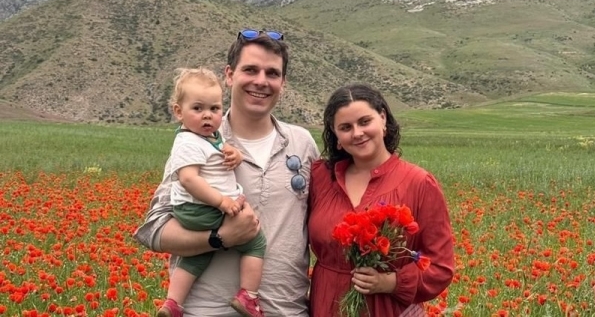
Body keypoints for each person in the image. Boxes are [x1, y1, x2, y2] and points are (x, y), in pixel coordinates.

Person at [134, 29, 320, 316]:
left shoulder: (302, 143)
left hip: (287, 310)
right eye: (250, 70)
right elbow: (155, 231)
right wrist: (219, 238)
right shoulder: (195, 140)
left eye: (272, 73)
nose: (261, 81)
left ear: (283, 83)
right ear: (230, 75)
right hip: (208, 310)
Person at [308, 83, 455, 316]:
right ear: (335, 135)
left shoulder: (419, 183)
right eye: (346, 127)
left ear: (383, 118)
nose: (357, 133)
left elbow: (440, 266)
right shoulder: (321, 178)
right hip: (326, 303)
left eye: (365, 122)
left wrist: (391, 282)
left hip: (388, 308)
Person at [156, 67, 267, 317]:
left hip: (198, 211)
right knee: (256, 243)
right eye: (198, 109)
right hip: (202, 209)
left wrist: (234, 154)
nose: (207, 116)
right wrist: (222, 202)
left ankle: (173, 303)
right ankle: (249, 296)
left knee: (197, 257)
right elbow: (188, 179)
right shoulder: (187, 142)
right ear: (178, 112)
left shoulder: (209, 136)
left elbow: (219, 149)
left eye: (214, 109)